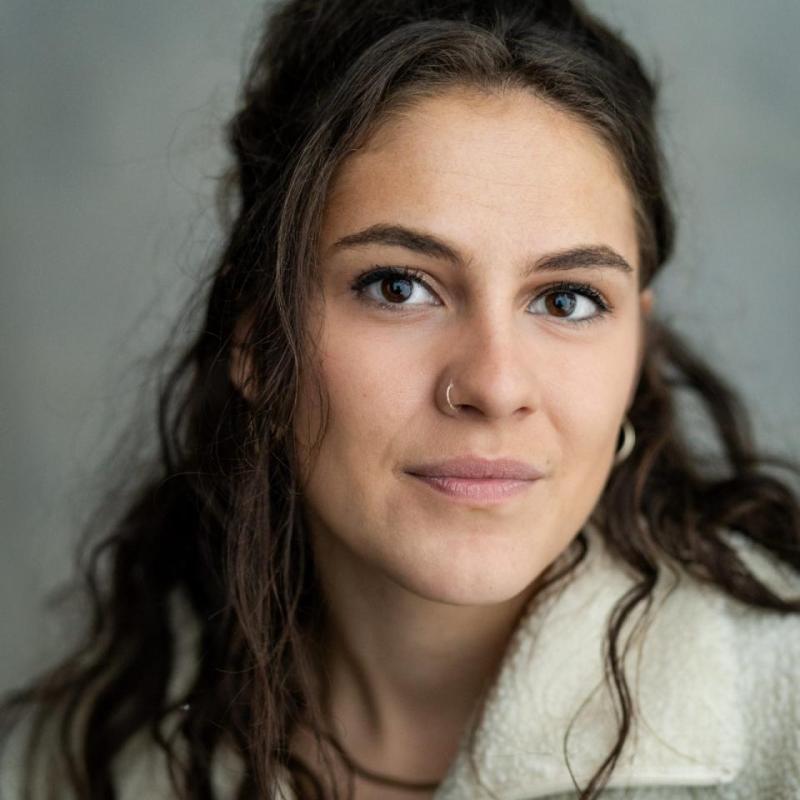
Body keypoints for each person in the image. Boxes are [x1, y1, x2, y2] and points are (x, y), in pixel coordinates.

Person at [2, 0, 799, 798]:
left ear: (638, 347)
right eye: (398, 286)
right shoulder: (66, 768)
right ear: (254, 339)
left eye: (567, 301)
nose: (494, 384)